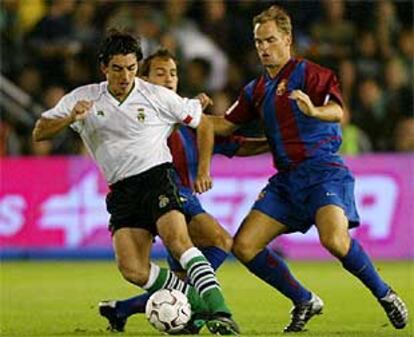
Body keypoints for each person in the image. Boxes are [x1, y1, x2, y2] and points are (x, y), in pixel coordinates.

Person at [209, 5, 408, 333]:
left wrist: (314, 110)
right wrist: (184, 114)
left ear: (287, 39)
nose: (263, 47)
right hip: (286, 181)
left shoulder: (311, 74)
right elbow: (225, 126)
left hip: (322, 172)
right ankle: (303, 300)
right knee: (244, 246)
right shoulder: (255, 89)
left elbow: (337, 112)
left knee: (334, 240)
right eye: (258, 41)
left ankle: (384, 294)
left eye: (270, 40)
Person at [32, 30, 239, 335]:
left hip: (157, 178)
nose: (125, 76)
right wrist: (69, 119)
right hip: (122, 191)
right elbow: (39, 131)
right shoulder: (83, 97)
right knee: (132, 269)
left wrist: (203, 159)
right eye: (117, 68)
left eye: (131, 68)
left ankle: (221, 311)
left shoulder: (154, 95)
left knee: (180, 243)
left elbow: (201, 120)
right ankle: (197, 302)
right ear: (104, 67)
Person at [99, 48, 269, 334]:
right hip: (156, 192)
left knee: (181, 273)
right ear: (143, 79)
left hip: (174, 197)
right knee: (218, 240)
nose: (168, 79)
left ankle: (127, 309)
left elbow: (232, 142)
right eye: (160, 73)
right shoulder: (144, 111)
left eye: (174, 73)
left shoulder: (185, 114)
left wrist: (274, 142)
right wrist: (191, 110)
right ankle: (210, 309)